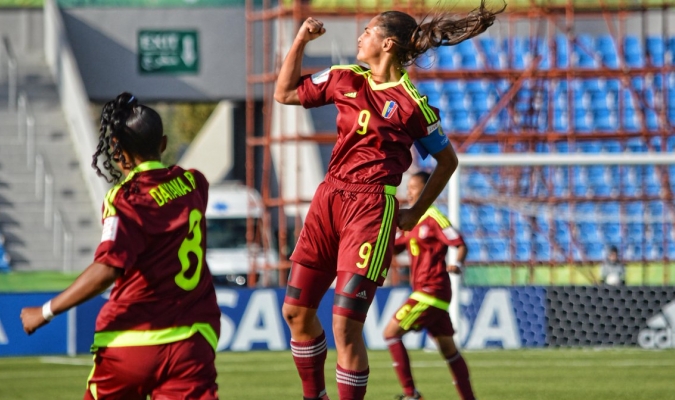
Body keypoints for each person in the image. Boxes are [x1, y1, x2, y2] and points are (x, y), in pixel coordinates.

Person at [273, 3, 501, 399]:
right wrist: (300, 41)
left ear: (388, 43)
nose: (360, 37)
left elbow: (448, 160)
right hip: (328, 199)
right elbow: (285, 92)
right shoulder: (345, 78)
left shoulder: (412, 103)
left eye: (367, 31)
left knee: (346, 326)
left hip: (371, 208)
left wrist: (415, 212)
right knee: (294, 312)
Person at [20, 92, 221, 400]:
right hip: (191, 344)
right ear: (163, 144)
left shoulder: (126, 199)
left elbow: (108, 267)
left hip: (132, 341)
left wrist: (45, 311)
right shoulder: (194, 183)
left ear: (117, 151)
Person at [384, 171, 472, 400]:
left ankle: (410, 394)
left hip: (430, 291)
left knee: (391, 334)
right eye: (409, 187)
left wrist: (458, 264)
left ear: (426, 190)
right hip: (427, 292)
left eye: (414, 187)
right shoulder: (415, 220)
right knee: (449, 350)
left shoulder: (433, 217)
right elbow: (396, 248)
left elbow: (460, 243)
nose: (409, 191)